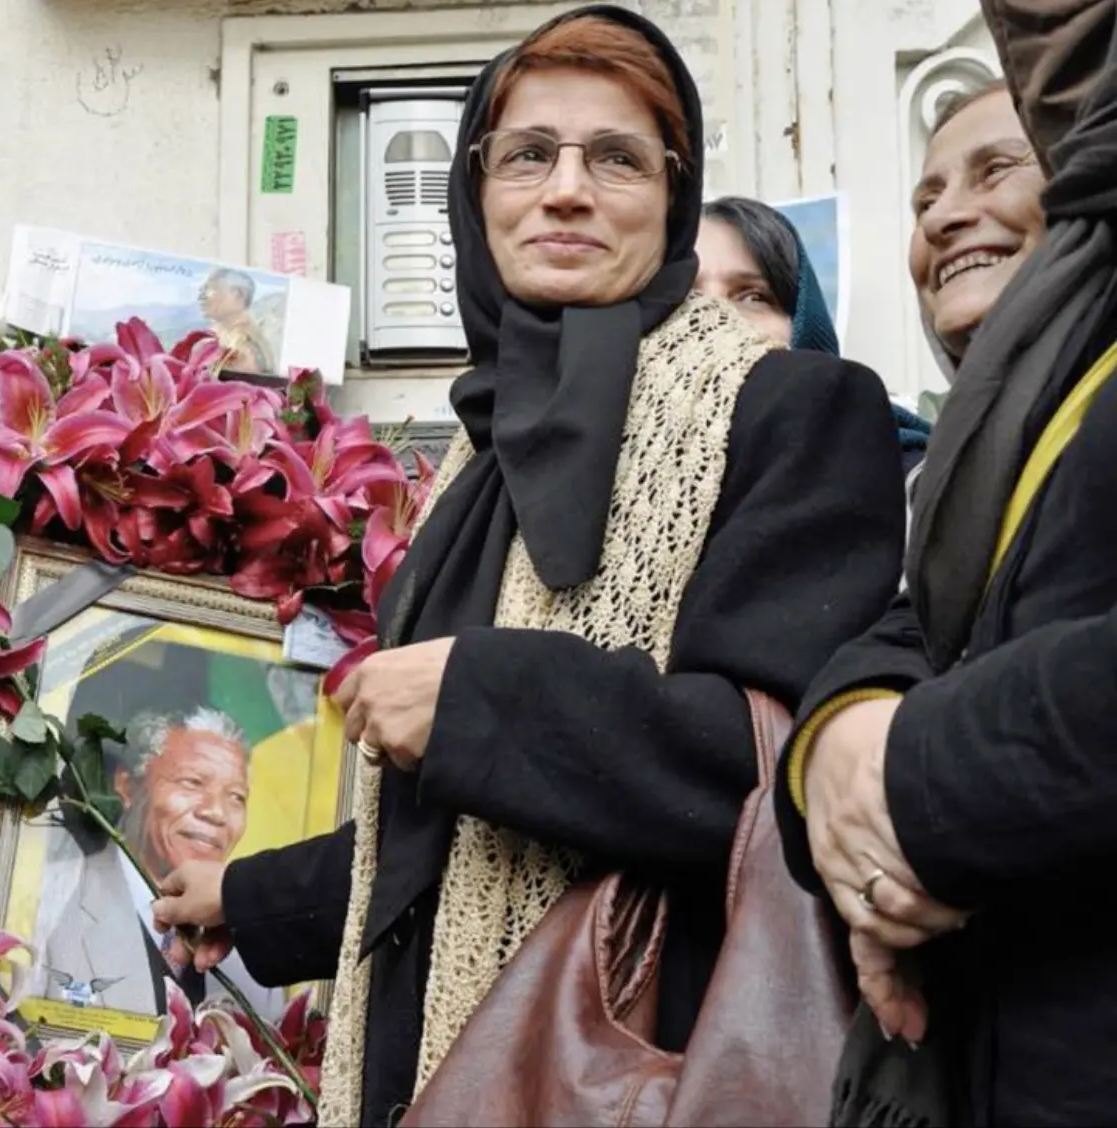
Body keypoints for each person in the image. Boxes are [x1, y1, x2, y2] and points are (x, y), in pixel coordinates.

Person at [151, 7, 905, 1125]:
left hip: (635, 1059)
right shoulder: (475, 454)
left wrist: (481, 697)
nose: (566, 190)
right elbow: (441, 849)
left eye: (617, 158)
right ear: (476, 194)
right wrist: (250, 897)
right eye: (527, 155)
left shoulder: (790, 409)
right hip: (422, 1070)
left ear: (673, 197)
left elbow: (786, 776)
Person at [777, 0, 1117, 1122]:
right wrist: (837, 744)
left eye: (996, 168)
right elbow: (925, 626)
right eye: (925, 197)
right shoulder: (996, 444)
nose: (948, 216)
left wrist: (903, 785)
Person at [37, 707, 282, 1019]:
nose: (217, 813)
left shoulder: (257, 960)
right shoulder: (47, 903)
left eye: (236, 797)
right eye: (193, 782)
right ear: (127, 787)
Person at [697, 195, 935, 474]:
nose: (712, 317)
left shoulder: (906, 477)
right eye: (684, 297)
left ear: (804, 323)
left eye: (752, 296)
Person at [199, 267, 277, 374]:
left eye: (211, 289)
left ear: (238, 294)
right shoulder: (222, 334)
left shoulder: (243, 347)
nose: (202, 297)